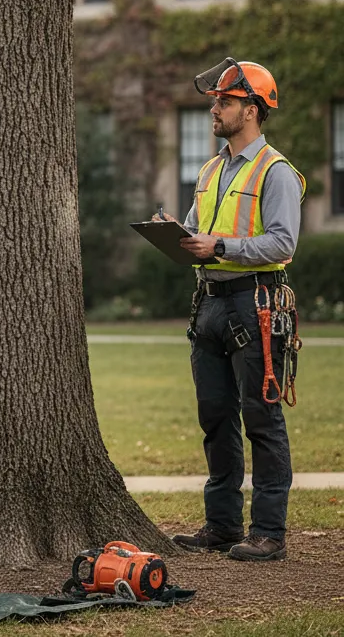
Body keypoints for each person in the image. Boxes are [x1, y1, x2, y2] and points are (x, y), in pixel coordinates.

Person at [155, 59, 305, 562]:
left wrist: (218, 246)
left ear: (254, 109)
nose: (214, 109)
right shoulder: (211, 168)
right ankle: (221, 524)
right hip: (211, 305)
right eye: (215, 101)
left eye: (225, 101)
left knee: (261, 420)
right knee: (215, 418)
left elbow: (283, 242)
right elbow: (200, 230)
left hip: (256, 304)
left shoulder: (276, 171)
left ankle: (268, 532)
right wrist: (175, 232)